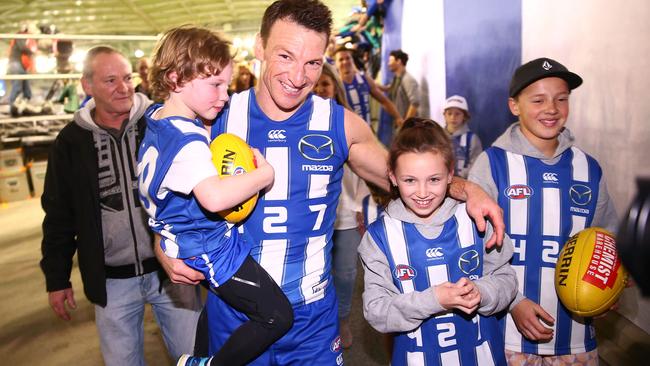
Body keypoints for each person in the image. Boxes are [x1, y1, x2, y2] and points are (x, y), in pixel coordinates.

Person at [156, 1, 506, 364]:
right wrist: (162, 244)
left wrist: (470, 190)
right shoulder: (215, 119)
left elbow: (410, 178)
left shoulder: (342, 124)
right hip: (234, 315)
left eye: (313, 62)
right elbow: (167, 194)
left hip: (313, 324)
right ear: (259, 47)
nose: (297, 77)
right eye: (286, 56)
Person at [138, 26, 293, 366]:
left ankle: (199, 354)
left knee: (216, 307)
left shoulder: (157, 120)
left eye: (226, 84)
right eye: (215, 85)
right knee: (277, 315)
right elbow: (213, 199)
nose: (225, 95)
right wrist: (263, 175)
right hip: (207, 248)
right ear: (176, 78)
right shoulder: (188, 141)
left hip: (185, 239)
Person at [40, 45, 202, 366]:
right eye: (111, 80)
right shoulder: (70, 143)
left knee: (196, 357)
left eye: (127, 77)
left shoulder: (161, 122)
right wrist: (57, 279)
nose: (124, 88)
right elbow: (59, 215)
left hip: (173, 271)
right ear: (87, 86)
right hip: (111, 281)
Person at [468, 57, 619, 365]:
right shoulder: (492, 165)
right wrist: (513, 301)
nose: (551, 108)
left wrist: (611, 285)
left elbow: (608, 239)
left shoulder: (588, 169)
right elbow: (470, 248)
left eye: (561, 99)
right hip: (506, 334)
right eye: (538, 100)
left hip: (575, 339)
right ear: (514, 105)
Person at [359, 117, 517, 366]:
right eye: (410, 180)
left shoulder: (474, 219)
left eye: (434, 179)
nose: (422, 192)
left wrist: (483, 292)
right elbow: (377, 311)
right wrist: (434, 300)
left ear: (451, 174)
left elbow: (506, 279)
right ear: (392, 176)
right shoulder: (379, 236)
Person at [314, 62, 365, 348]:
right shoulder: (301, 123)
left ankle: (343, 318)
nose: (321, 89)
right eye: (317, 84)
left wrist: (359, 206)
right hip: (314, 218)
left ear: (335, 88)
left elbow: (363, 172)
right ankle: (322, 326)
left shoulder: (349, 122)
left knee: (346, 273)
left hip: (345, 216)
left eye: (326, 84)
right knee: (317, 275)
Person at [334, 46, 403, 129]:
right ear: (336, 64)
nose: (345, 62)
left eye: (348, 58)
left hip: (367, 131)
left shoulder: (364, 79)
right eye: (341, 59)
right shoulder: (335, 85)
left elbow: (384, 101)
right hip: (347, 136)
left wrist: (398, 117)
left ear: (352, 60)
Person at [443, 95, 483, 178]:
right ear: (444, 115)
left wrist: (460, 178)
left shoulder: (472, 139)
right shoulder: (438, 136)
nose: (453, 117)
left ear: (464, 116)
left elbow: (476, 164)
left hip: (464, 183)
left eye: (457, 114)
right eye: (449, 113)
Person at [386, 49, 420, 120]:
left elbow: (415, 103)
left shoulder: (408, 79)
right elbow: (388, 88)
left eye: (390, 61)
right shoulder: (396, 79)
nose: (388, 64)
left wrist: (405, 125)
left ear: (398, 61)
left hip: (408, 127)